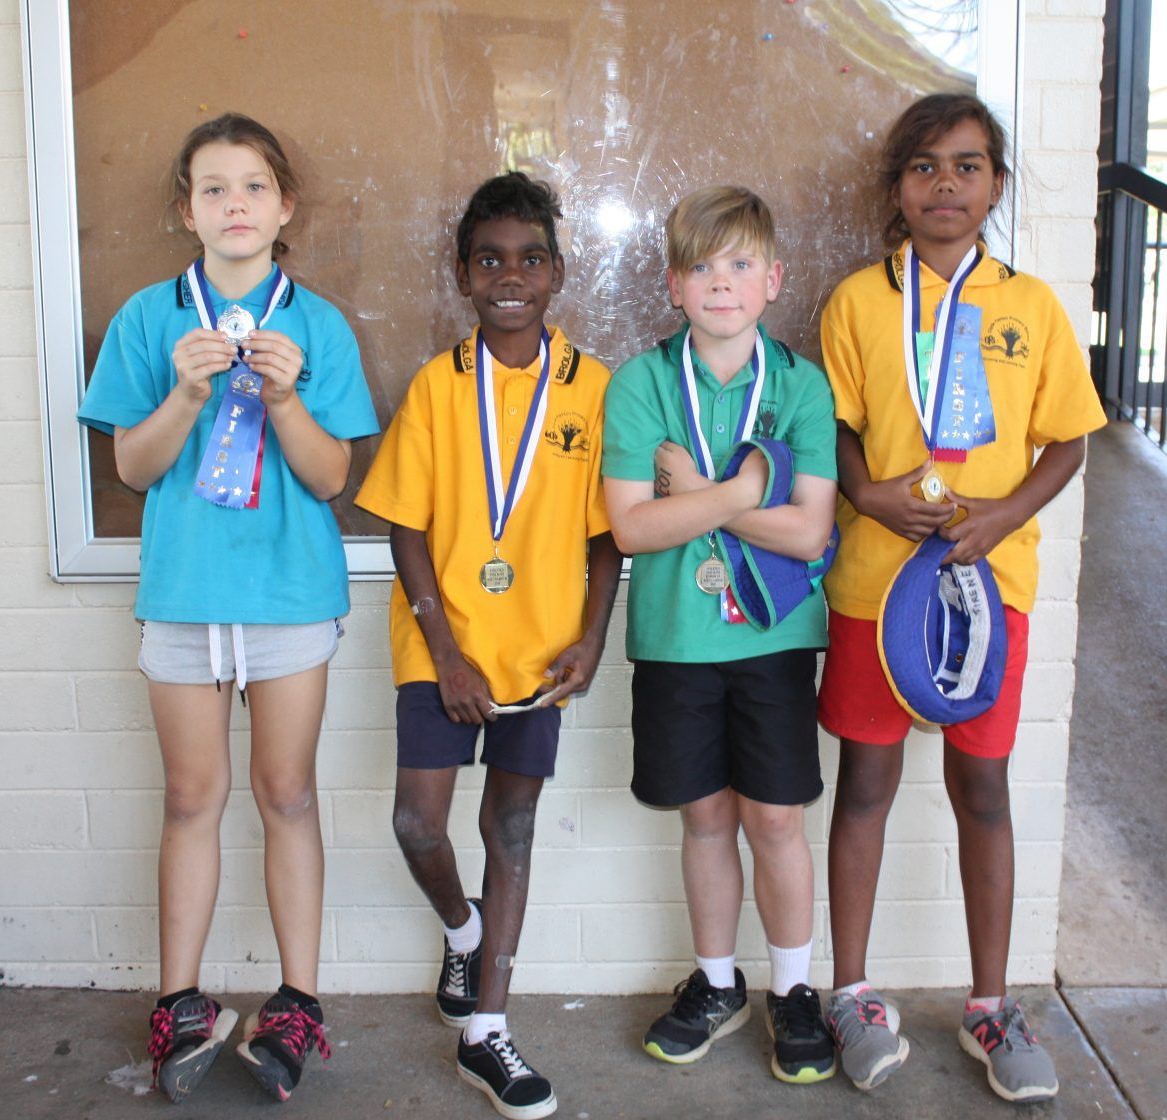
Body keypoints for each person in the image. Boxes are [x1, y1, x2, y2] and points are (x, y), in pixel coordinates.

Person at [76, 112, 379, 1103]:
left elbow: (333, 475)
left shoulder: (320, 325)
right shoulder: (146, 319)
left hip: (290, 593)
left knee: (287, 793)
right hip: (184, 595)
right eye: (213, 188)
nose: (234, 203)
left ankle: (297, 998)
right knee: (189, 798)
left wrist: (287, 401)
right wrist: (183, 396)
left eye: (253, 186)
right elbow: (130, 464)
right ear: (186, 208)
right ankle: (181, 998)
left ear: (284, 206)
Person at [815, 92, 1107, 1100]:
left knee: (982, 788)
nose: (948, 184)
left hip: (989, 586)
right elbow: (840, 428)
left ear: (997, 185)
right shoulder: (858, 302)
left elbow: (1067, 436)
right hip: (873, 587)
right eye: (926, 166)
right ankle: (850, 990)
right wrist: (863, 489)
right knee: (865, 783)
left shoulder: (1030, 307)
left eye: (969, 165)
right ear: (896, 188)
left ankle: (991, 1002)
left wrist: (998, 514)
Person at [354, 171, 621, 1120]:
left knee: (510, 828)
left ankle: (488, 1034)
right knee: (416, 825)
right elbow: (405, 528)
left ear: (557, 272)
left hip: (542, 655)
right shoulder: (437, 384)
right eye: (490, 260)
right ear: (464, 274)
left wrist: (592, 642)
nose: (511, 275)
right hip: (443, 645)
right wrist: (446, 651)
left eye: (530, 259)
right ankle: (463, 932)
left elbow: (605, 537)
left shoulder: (593, 391)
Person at [602, 186, 841, 1085]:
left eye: (741, 263)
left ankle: (791, 990)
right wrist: (749, 493)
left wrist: (702, 490)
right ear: (672, 283)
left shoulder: (801, 386)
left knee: (775, 818)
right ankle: (715, 982)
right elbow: (632, 530)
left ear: (773, 279)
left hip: (774, 639)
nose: (721, 282)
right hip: (675, 641)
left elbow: (811, 533)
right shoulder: (642, 383)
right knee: (704, 817)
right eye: (701, 265)